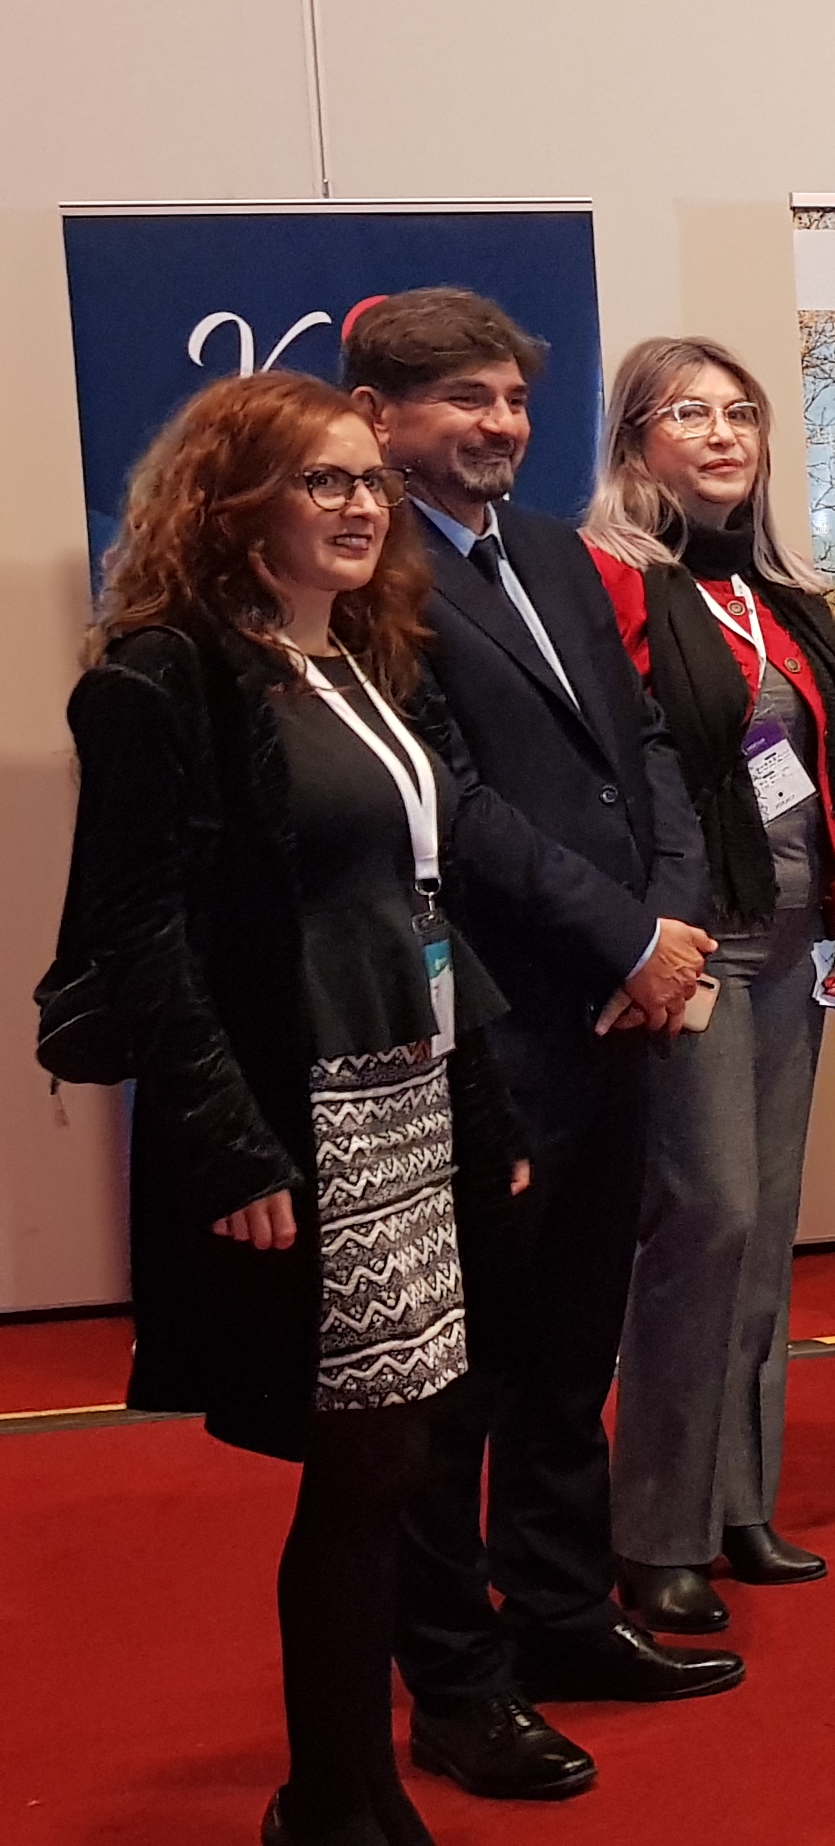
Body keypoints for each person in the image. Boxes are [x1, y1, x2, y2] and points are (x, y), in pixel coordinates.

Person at [57, 372, 535, 1842]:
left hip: (413, 1097)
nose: (360, 505)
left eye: (368, 481)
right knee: (361, 1466)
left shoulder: (364, 661)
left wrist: (484, 1109)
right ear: (231, 502)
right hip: (306, 1114)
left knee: (402, 1456)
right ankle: (332, 1798)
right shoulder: (162, 677)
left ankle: (350, 1786)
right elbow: (142, 938)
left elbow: (421, 907)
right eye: (322, 480)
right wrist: (229, 1143)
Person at [344, 289, 736, 1803]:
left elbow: (648, 748)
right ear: (376, 417)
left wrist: (669, 924)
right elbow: (448, 800)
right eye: (465, 398)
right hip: (488, 1025)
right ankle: (457, 1683)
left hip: (613, 1008)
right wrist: (626, 939)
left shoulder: (561, 557)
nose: (499, 423)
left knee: (575, 1350)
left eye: (510, 397)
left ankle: (563, 1613)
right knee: (465, 1386)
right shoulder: (369, 572)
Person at [578, 339, 835, 1628]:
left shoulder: (776, 595)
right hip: (690, 947)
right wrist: (635, 932)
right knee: (703, 1219)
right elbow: (607, 783)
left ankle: (735, 1502)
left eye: (741, 414)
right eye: (689, 413)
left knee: (765, 1230)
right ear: (634, 440)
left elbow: (814, 779)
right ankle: (656, 1527)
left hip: (793, 935)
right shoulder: (607, 583)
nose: (723, 435)